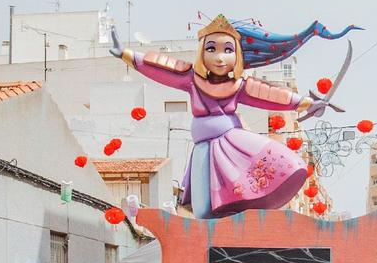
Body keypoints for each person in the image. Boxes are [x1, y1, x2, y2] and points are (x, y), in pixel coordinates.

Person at [111, 14, 354, 218]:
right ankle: (208, 238)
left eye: (227, 50)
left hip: (232, 141)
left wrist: (306, 102)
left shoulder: (239, 86)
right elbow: (161, 67)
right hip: (203, 147)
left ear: (236, 54)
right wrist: (127, 54)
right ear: (201, 53)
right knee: (203, 207)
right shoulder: (190, 78)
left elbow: (272, 95)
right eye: (211, 48)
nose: (219, 57)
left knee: (237, 189)